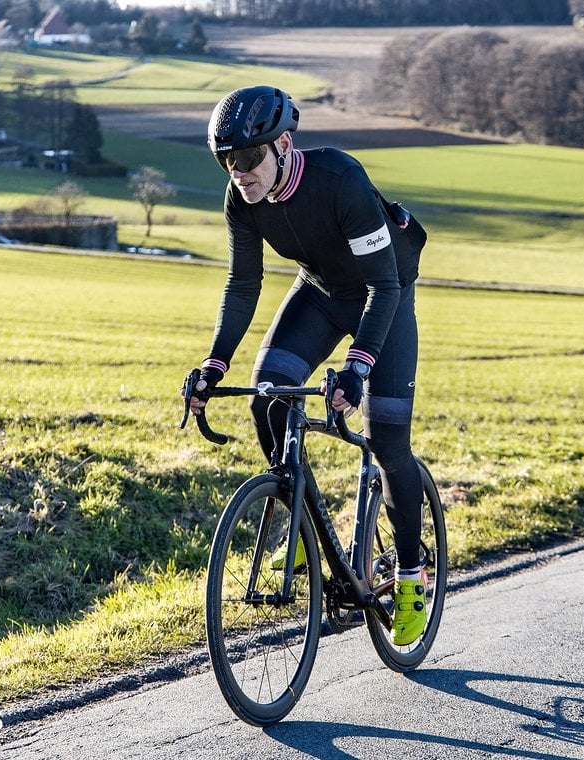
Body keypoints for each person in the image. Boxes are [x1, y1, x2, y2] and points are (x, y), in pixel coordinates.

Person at [188, 85, 427, 646]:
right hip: (318, 295)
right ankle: (297, 520)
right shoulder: (240, 201)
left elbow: (383, 285)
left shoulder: (339, 179)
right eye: (227, 161)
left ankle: (412, 575)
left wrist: (357, 368)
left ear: (284, 144)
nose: (238, 172)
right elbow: (243, 284)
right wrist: (214, 364)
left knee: (388, 442)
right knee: (266, 396)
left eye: (248, 158)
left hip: (383, 297)